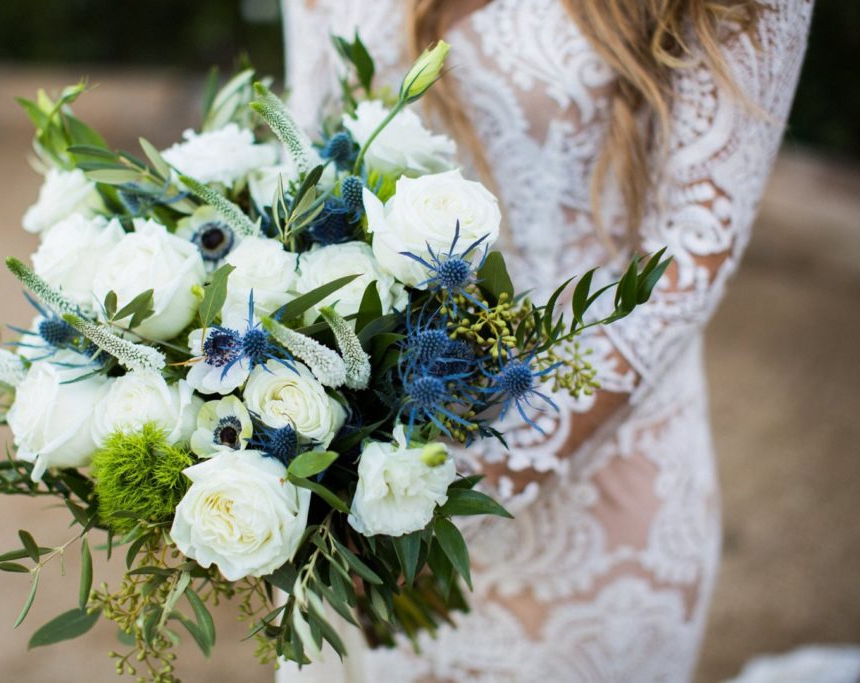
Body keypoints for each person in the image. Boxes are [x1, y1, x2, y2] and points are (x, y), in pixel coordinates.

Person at [278, 0, 813, 681]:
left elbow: (694, 252)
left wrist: (451, 493)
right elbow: (304, 157)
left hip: (595, 488)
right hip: (361, 474)